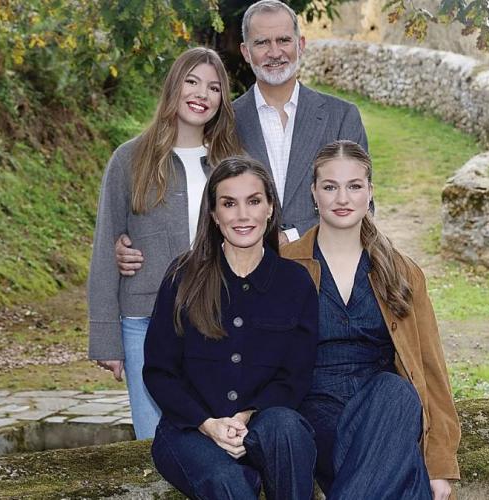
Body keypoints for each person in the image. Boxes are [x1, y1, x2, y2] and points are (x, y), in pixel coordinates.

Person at [115, 0, 368, 275]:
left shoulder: (341, 117)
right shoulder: (222, 122)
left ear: (301, 44)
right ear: (246, 52)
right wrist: (136, 238)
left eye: (283, 40)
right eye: (262, 43)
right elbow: (189, 187)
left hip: (326, 273)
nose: (274, 52)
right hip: (242, 279)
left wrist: (292, 237)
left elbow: (362, 206)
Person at [281, 140, 461, 500]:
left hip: (386, 410)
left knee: (395, 391)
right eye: (330, 187)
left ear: (370, 192)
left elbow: (431, 370)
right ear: (314, 193)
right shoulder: (284, 266)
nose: (342, 198)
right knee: (401, 465)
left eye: (354, 186)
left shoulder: (402, 271)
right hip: (317, 414)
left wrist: (440, 464)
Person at [87, 47, 241, 439]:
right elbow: (106, 249)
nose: (202, 94)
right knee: (153, 441)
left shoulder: (232, 163)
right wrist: (106, 339)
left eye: (214, 88)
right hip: (145, 321)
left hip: (218, 318)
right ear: (173, 86)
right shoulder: (129, 160)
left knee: (213, 440)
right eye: (192, 82)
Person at [143, 156, 319, 500]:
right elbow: (160, 371)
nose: (242, 215)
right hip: (189, 429)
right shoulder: (183, 277)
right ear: (213, 213)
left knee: (287, 428)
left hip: (263, 424)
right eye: (228, 204)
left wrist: (247, 416)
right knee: (227, 480)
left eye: (253, 201)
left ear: (270, 207)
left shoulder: (295, 282)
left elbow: (296, 376)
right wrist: (208, 424)